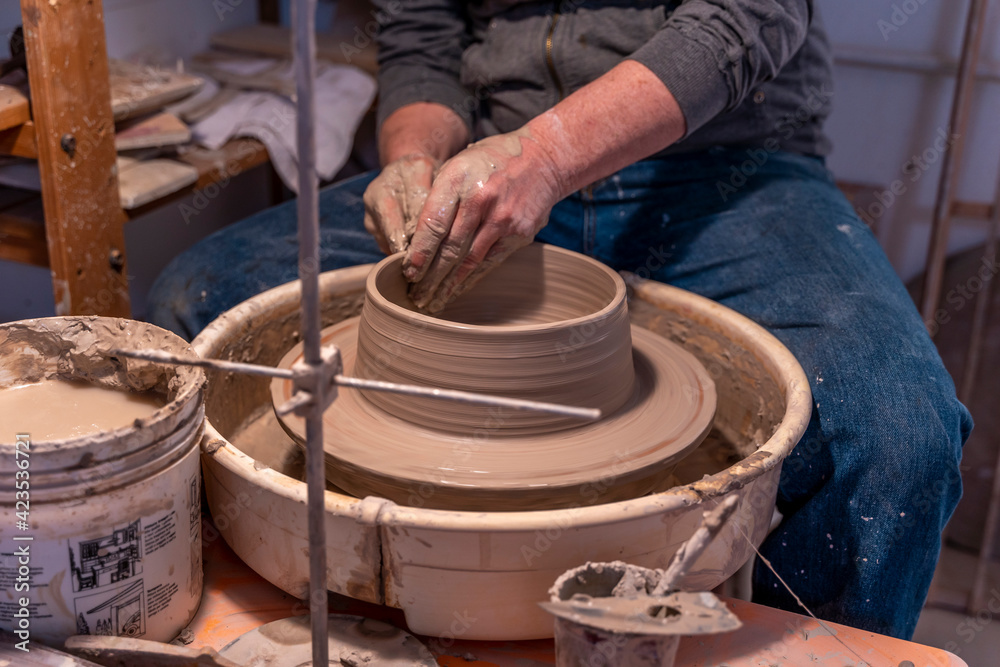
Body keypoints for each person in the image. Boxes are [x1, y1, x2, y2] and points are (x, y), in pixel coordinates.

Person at [148, 0, 971, 639]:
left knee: (899, 433)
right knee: (193, 307)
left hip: (720, 165)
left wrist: (547, 157)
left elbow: (746, 19)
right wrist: (412, 158)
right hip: (490, 162)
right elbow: (420, 36)